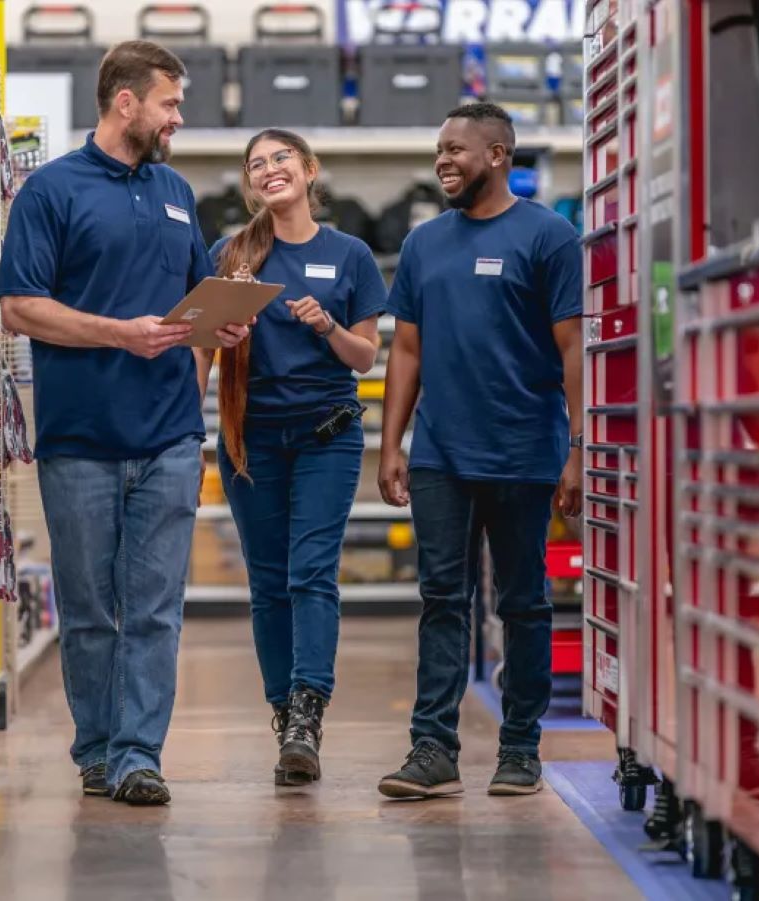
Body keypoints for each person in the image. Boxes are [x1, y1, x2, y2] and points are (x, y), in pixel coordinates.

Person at [0, 40, 250, 806]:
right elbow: (18, 306)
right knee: (87, 609)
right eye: (170, 102)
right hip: (80, 441)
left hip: (170, 437)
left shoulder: (177, 192)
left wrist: (220, 326)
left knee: (153, 607)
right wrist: (120, 332)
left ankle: (139, 753)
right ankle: (98, 748)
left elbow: (188, 305)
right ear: (126, 102)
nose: (179, 117)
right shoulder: (51, 191)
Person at [375, 102, 584, 800]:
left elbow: (573, 347)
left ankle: (520, 746)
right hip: (441, 452)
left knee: (522, 600)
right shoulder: (424, 244)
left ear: (499, 155)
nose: (444, 161)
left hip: (525, 450)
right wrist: (392, 442)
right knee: (442, 598)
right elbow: (407, 347)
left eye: (457, 149)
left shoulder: (549, 237)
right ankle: (432, 746)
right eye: (439, 150)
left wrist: (579, 449)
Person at [197, 129, 387, 787]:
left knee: (311, 572)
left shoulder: (351, 254)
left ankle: (309, 710)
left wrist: (326, 326)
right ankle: (283, 715)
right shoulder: (234, 254)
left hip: (326, 436)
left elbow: (367, 355)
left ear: (310, 171)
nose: (270, 169)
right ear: (252, 184)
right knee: (267, 582)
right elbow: (201, 347)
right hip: (251, 442)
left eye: (282, 158)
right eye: (257, 164)